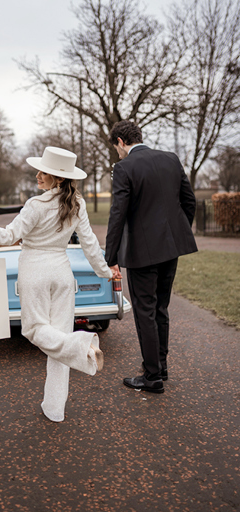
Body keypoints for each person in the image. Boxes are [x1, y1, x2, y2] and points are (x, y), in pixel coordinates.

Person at [0, 147, 111, 422]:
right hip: (63, 275)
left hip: (35, 273)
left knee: (35, 330)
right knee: (57, 341)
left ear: (58, 178)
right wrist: (105, 272)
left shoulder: (35, 206)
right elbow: (89, 244)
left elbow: (5, 236)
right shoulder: (78, 204)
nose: (38, 175)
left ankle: (82, 347)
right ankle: (54, 409)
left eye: (44, 172)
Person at [105, 120, 197, 394]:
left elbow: (117, 215)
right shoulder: (171, 159)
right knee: (161, 308)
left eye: (116, 148)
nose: (118, 154)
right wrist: (175, 233)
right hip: (171, 248)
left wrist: (111, 257)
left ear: (121, 142)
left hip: (142, 253)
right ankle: (161, 366)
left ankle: (152, 376)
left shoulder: (124, 168)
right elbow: (188, 201)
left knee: (145, 310)